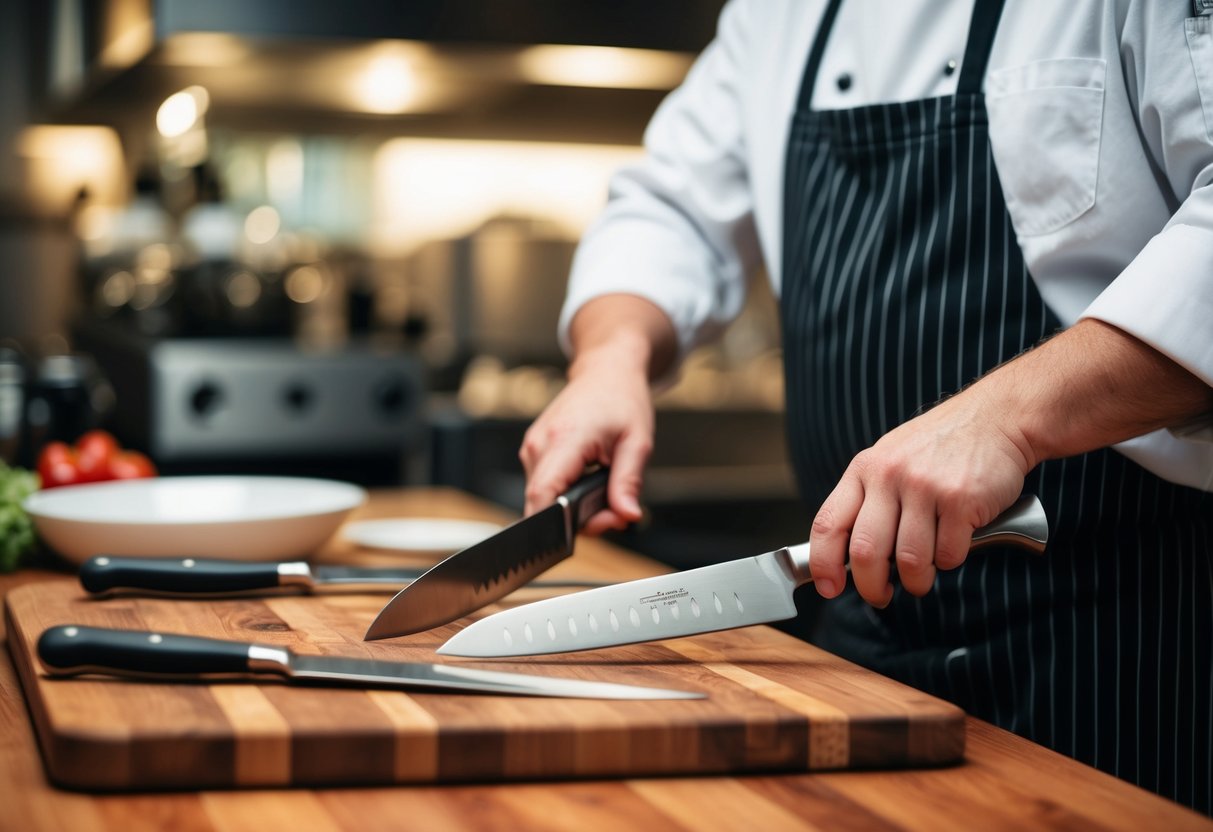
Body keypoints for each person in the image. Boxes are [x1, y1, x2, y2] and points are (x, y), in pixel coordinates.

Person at [517, 0, 1213, 814]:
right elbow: (669, 207)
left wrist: (1006, 416)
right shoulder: (776, 14)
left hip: (1125, 657)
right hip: (856, 648)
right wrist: (610, 358)